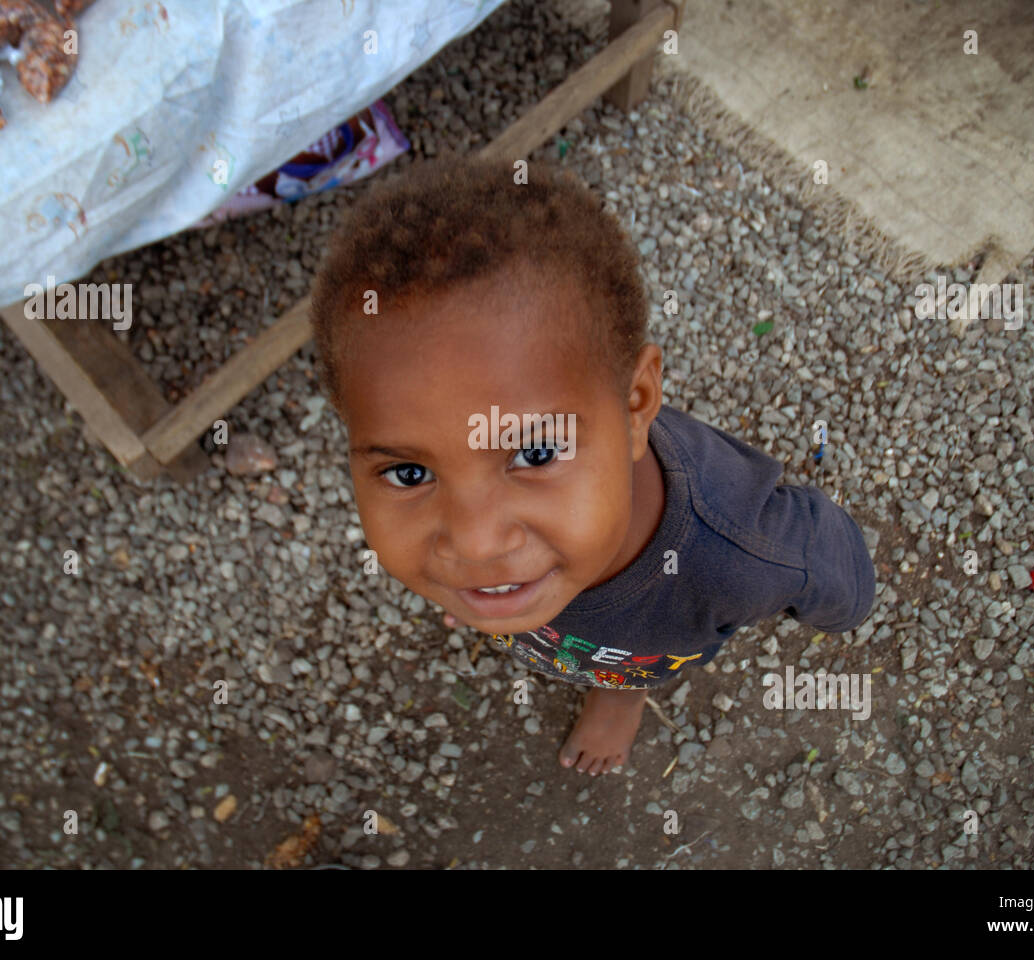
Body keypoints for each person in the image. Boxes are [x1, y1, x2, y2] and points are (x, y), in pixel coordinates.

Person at [306, 152, 876, 776]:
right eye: (410, 474)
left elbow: (822, 553)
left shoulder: (739, 554)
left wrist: (844, 608)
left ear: (636, 407)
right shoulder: (492, 556)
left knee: (638, 653)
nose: (474, 541)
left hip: (651, 643)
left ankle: (621, 693)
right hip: (567, 631)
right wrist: (476, 592)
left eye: (537, 453)